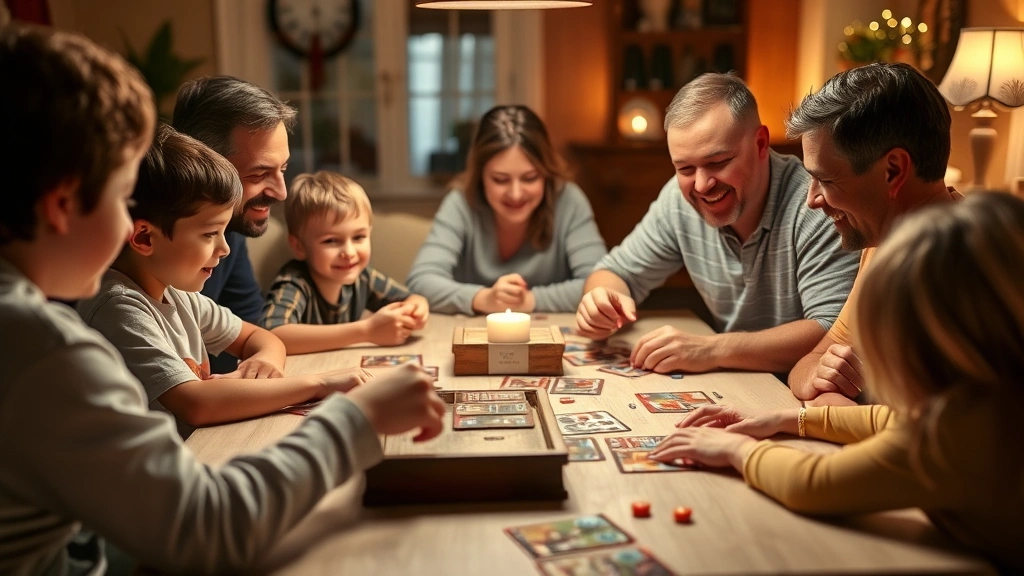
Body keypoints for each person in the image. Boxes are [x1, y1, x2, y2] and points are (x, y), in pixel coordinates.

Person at [0, 25, 443, 574]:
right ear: (62, 204)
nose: (126, 222)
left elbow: (254, 338)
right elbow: (204, 528)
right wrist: (357, 417)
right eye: (119, 197)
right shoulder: (42, 347)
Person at [650, 192, 1024, 571]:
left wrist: (734, 450)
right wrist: (786, 419)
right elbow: (889, 420)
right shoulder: (990, 402)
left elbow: (811, 483)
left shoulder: (950, 441)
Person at [77, 125, 378, 438]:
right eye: (209, 234)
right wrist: (319, 383)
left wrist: (262, 362)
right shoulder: (119, 308)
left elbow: (262, 338)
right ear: (143, 237)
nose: (225, 249)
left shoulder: (179, 297)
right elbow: (195, 404)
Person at [575, 73, 858, 375]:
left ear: (761, 143)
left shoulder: (817, 204)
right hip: (737, 386)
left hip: (805, 394)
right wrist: (602, 299)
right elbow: (614, 272)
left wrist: (712, 349)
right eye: (684, 168)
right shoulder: (677, 200)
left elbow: (832, 331)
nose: (701, 184)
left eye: (718, 163)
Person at [785, 62, 961, 407]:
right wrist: (819, 377)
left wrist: (828, 410)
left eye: (828, 180)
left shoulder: (969, 267)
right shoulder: (882, 242)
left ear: (893, 170)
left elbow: (933, 437)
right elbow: (811, 363)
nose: (812, 200)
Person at [407, 104, 607, 314]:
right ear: (480, 176)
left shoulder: (568, 200)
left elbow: (600, 285)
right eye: (500, 180)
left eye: (530, 178)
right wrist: (483, 299)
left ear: (546, 173)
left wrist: (528, 301)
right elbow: (420, 281)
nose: (516, 194)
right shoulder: (460, 202)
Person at [172, 75, 293, 371]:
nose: (281, 192)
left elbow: (253, 329)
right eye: (258, 174)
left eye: (284, 169)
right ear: (202, 165)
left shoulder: (230, 234)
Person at [261, 171, 429, 354]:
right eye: (331, 241)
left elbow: (410, 298)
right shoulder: (294, 282)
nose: (349, 253)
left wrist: (416, 309)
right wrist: (366, 331)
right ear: (299, 247)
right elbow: (273, 335)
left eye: (359, 237)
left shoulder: (364, 277)